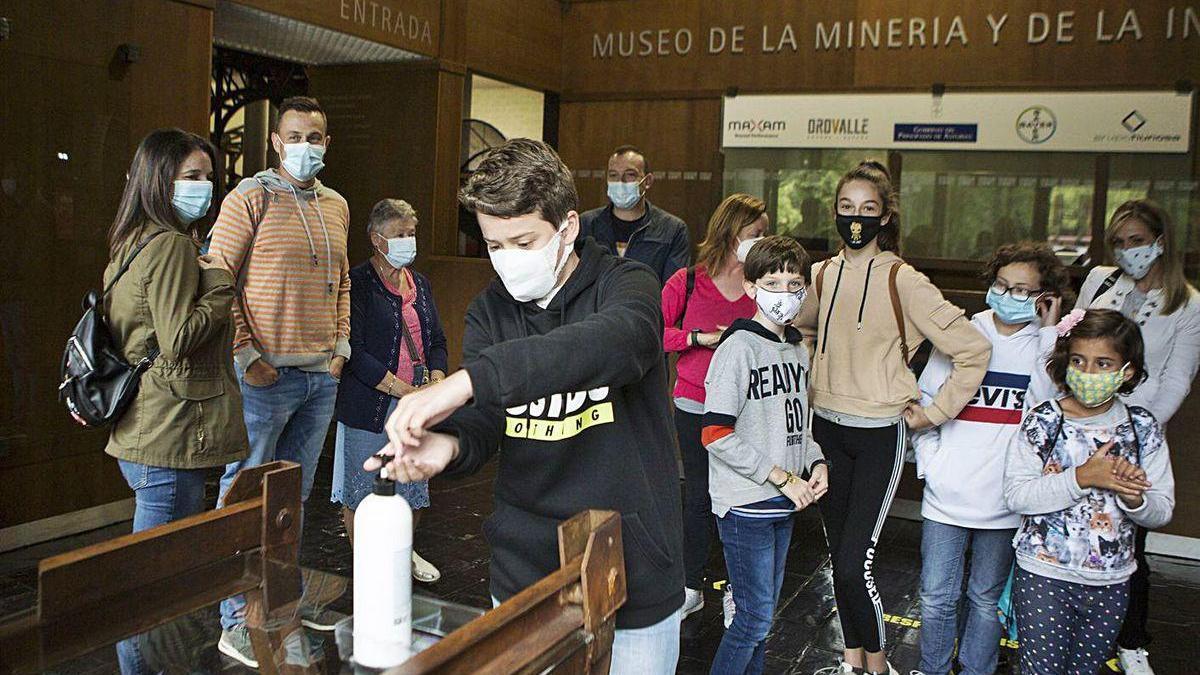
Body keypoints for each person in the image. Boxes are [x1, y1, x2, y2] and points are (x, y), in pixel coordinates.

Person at [365, 139, 685, 674]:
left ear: (568, 229)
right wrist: (449, 444)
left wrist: (469, 380)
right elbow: (488, 419)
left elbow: (617, 343)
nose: (508, 259)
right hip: (526, 570)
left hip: (632, 566)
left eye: (524, 240)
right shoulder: (491, 309)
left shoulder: (626, 284)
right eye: (495, 245)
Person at [796, 161, 990, 675]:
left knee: (854, 561)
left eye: (867, 210)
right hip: (825, 433)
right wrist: (816, 369)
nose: (855, 219)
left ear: (884, 217)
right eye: (845, 208)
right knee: (837, 555)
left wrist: (934, 413)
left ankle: (879, 667)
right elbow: (803, 329)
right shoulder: (822, 274)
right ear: (834, 212)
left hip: (880, 435)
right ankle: (852, 662)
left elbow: (973, 349)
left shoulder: (904, 280)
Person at [207, 96, 351, 665]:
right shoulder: (251, 197)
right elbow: (218, 277)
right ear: (275, 140)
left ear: (327, 142)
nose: (306, 146)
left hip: (321, 378)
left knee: (292, 501)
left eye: (315, 137)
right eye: (295, 136)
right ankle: (233, 621)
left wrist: (340, 346)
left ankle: (276, 609)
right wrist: (245, 354)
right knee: (245, 497)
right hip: (266, 379)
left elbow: (342, 280)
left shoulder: (336, 204)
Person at [103, 129, 247, 674]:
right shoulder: (168, 244)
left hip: (153, 428)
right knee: (155, 581)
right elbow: (179, 336)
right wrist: (219, 286)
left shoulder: (134, 239)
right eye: (192, 177)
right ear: (159, 181)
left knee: (162, 574)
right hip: (166, 431)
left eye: (208, 176)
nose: (204, 187)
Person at [912, 243, 1070, 675]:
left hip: (1005, 502)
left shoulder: (1047, 346)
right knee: (935, 595)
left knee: (985, 597)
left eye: (1023, 290)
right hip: (947, 494)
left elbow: (1046, 414)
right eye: (1002, 285)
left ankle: (977, 668)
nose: (1009, 295)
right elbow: (924, 404)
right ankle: (934, 668)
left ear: (1044, 296)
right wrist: (932, 465)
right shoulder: (964, 332)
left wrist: (1048, 333)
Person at [1068, 200, 1200, 675]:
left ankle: (1130, 640)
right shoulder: (1100, 280)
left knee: (1127, 544)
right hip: (1076, 423)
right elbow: (1072, 344)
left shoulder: (1187, 302)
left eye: (1137, 241)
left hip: (1136, 436)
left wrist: (1135, 434)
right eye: (1119, 243)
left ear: (1160, 241)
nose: (1128, 252)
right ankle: (1052, 623)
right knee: (1066, 526)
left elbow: (1176, 381)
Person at [1004, 309, 1175, 675]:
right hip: (1044, 576)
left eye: (1103, 363)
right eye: (1079, 361)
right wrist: (1082, 476)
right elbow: (1017, 496)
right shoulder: (1043, 420)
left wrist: (1135, 498)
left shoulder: (1142, 428)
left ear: (1126, 371)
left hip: (1111, 582)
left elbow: (1161, 510)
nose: (1088, 373)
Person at [703, 236, 828, 675]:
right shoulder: (738, 348)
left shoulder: (796, 348)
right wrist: (780, 476)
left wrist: (815, 463)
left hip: (783, 501)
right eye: (773, 282)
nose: (785, 293)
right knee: (753, 619)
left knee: (761, 619)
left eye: (794, 283)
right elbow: (715, 433)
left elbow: (798, 423)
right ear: (752, 287)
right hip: (746, 503)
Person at [661, 193, 768, 619]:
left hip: (746, 411)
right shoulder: (687, 282)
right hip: (694, 405)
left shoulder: (763, 288)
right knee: (700, 496)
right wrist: (699, 338)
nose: (762, 241)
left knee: (742, 498)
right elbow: (655, 332)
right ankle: (692, 584)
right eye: (755, 233)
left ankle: (736, 589)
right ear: (730, 231)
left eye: (765, 233)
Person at [333, 198, 447, 583]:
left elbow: (438, 341)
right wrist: (401, 389)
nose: (407, 241)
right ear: (376, 239)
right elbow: (356, 351)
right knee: (364, 491)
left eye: (411, 233)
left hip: (414, 406)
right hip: (371, 404)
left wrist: (434, 379)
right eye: (399, 235)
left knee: (413, 487)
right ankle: (369, 565)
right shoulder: (360, 283)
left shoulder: (421, 283)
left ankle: (403, 553)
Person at [579, 145, 690, 285]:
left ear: (647, 181)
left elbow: (674, 292)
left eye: (630, 174)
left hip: (647, 305)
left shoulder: (672, 230)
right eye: (613, 175)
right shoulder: (586, 224)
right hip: (597, 307)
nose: (621, 182)